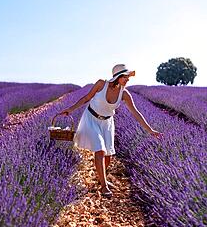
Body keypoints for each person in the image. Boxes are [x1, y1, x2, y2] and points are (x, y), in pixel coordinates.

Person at [58, 64, 162, 198]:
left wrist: (150, 130)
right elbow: (86, 98)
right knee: (99, 150)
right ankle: (104, 186)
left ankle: (101, 178)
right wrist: (70, 109)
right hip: (92, 119)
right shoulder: (101, 84)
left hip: (107, 123)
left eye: (128, 77)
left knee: (108, 156)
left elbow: (136, 113)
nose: (128, 79)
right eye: (125, 76)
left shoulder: (124, 93)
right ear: (118, 77)